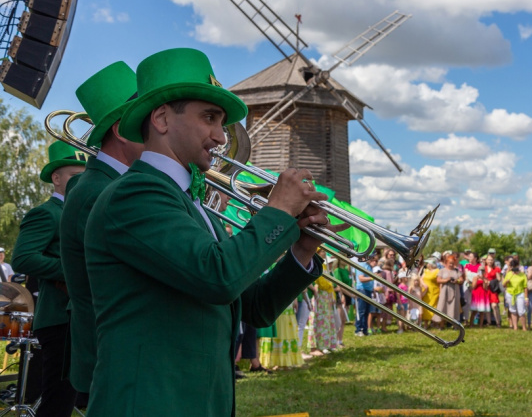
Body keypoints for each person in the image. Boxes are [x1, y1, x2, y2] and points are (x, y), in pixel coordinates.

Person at [83, 48, 333, 416]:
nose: (220, 137)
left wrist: (302, 250)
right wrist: (278, 211)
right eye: (210, 118)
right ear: (163, 118)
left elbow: (256, 307)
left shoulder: (192, 203)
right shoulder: (134, 194)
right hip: (150, 403)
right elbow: (218, 277)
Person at [59, 62, 144, 406]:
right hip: (116, 361)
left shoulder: (104, 184)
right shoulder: (100, 191)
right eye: (148, 122)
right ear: (123, 130)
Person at [12, 140, 87, 415]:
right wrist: (75, 270)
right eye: (74, 177)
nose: (82, 183)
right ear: (56, 179)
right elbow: (23, 258)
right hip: (58, 316)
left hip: (78, 316)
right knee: (57, 401)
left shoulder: (79, 212)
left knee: (68, 398)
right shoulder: (47, 213)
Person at [434, 254, 462, 328]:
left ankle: (455, 325)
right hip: (444, 291)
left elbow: (461, 280)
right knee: (443, 307)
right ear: (446, 263)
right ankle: (441, 325)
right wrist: (446, 280)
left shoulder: (456, 271)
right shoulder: (442, 270)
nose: (451, 264)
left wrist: (457, 281)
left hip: (455, 291)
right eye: (450, 263)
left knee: (454, 307)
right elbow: (438, 280)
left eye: (453, 263)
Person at [502, 258, 527, 331]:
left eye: (515, 266)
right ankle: (515, 327)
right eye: (512, 266)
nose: (514, 268)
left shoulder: (522, 275)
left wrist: (526, 297)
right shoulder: (509, 274)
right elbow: (504, 285)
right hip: (510, 293)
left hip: (520, 294)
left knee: (521, 311)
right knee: (512, 310)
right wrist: (507, 281)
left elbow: (525, 287)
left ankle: (524, 327)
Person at [354, 257, 376, 336]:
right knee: (361, 311)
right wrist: (372, 277)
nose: (373, 260)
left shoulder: (369, 266)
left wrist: (372, 290)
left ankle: (365, 329)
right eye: (372, 258)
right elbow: (361, 278)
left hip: (368, 290)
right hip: (362, 290)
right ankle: (358, 329)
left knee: (367, 311)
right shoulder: (362, 265)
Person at [420, 260, 440, 329]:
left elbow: (439, 281)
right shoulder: (425, 271)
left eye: (428, 263)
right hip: (426, 292)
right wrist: (423, 284)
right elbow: (421, 279)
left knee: (434, 307)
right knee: (426, 307)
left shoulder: (437, 271)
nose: (427, 264)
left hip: (434, 291)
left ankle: (435, 323)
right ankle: (425, 323)